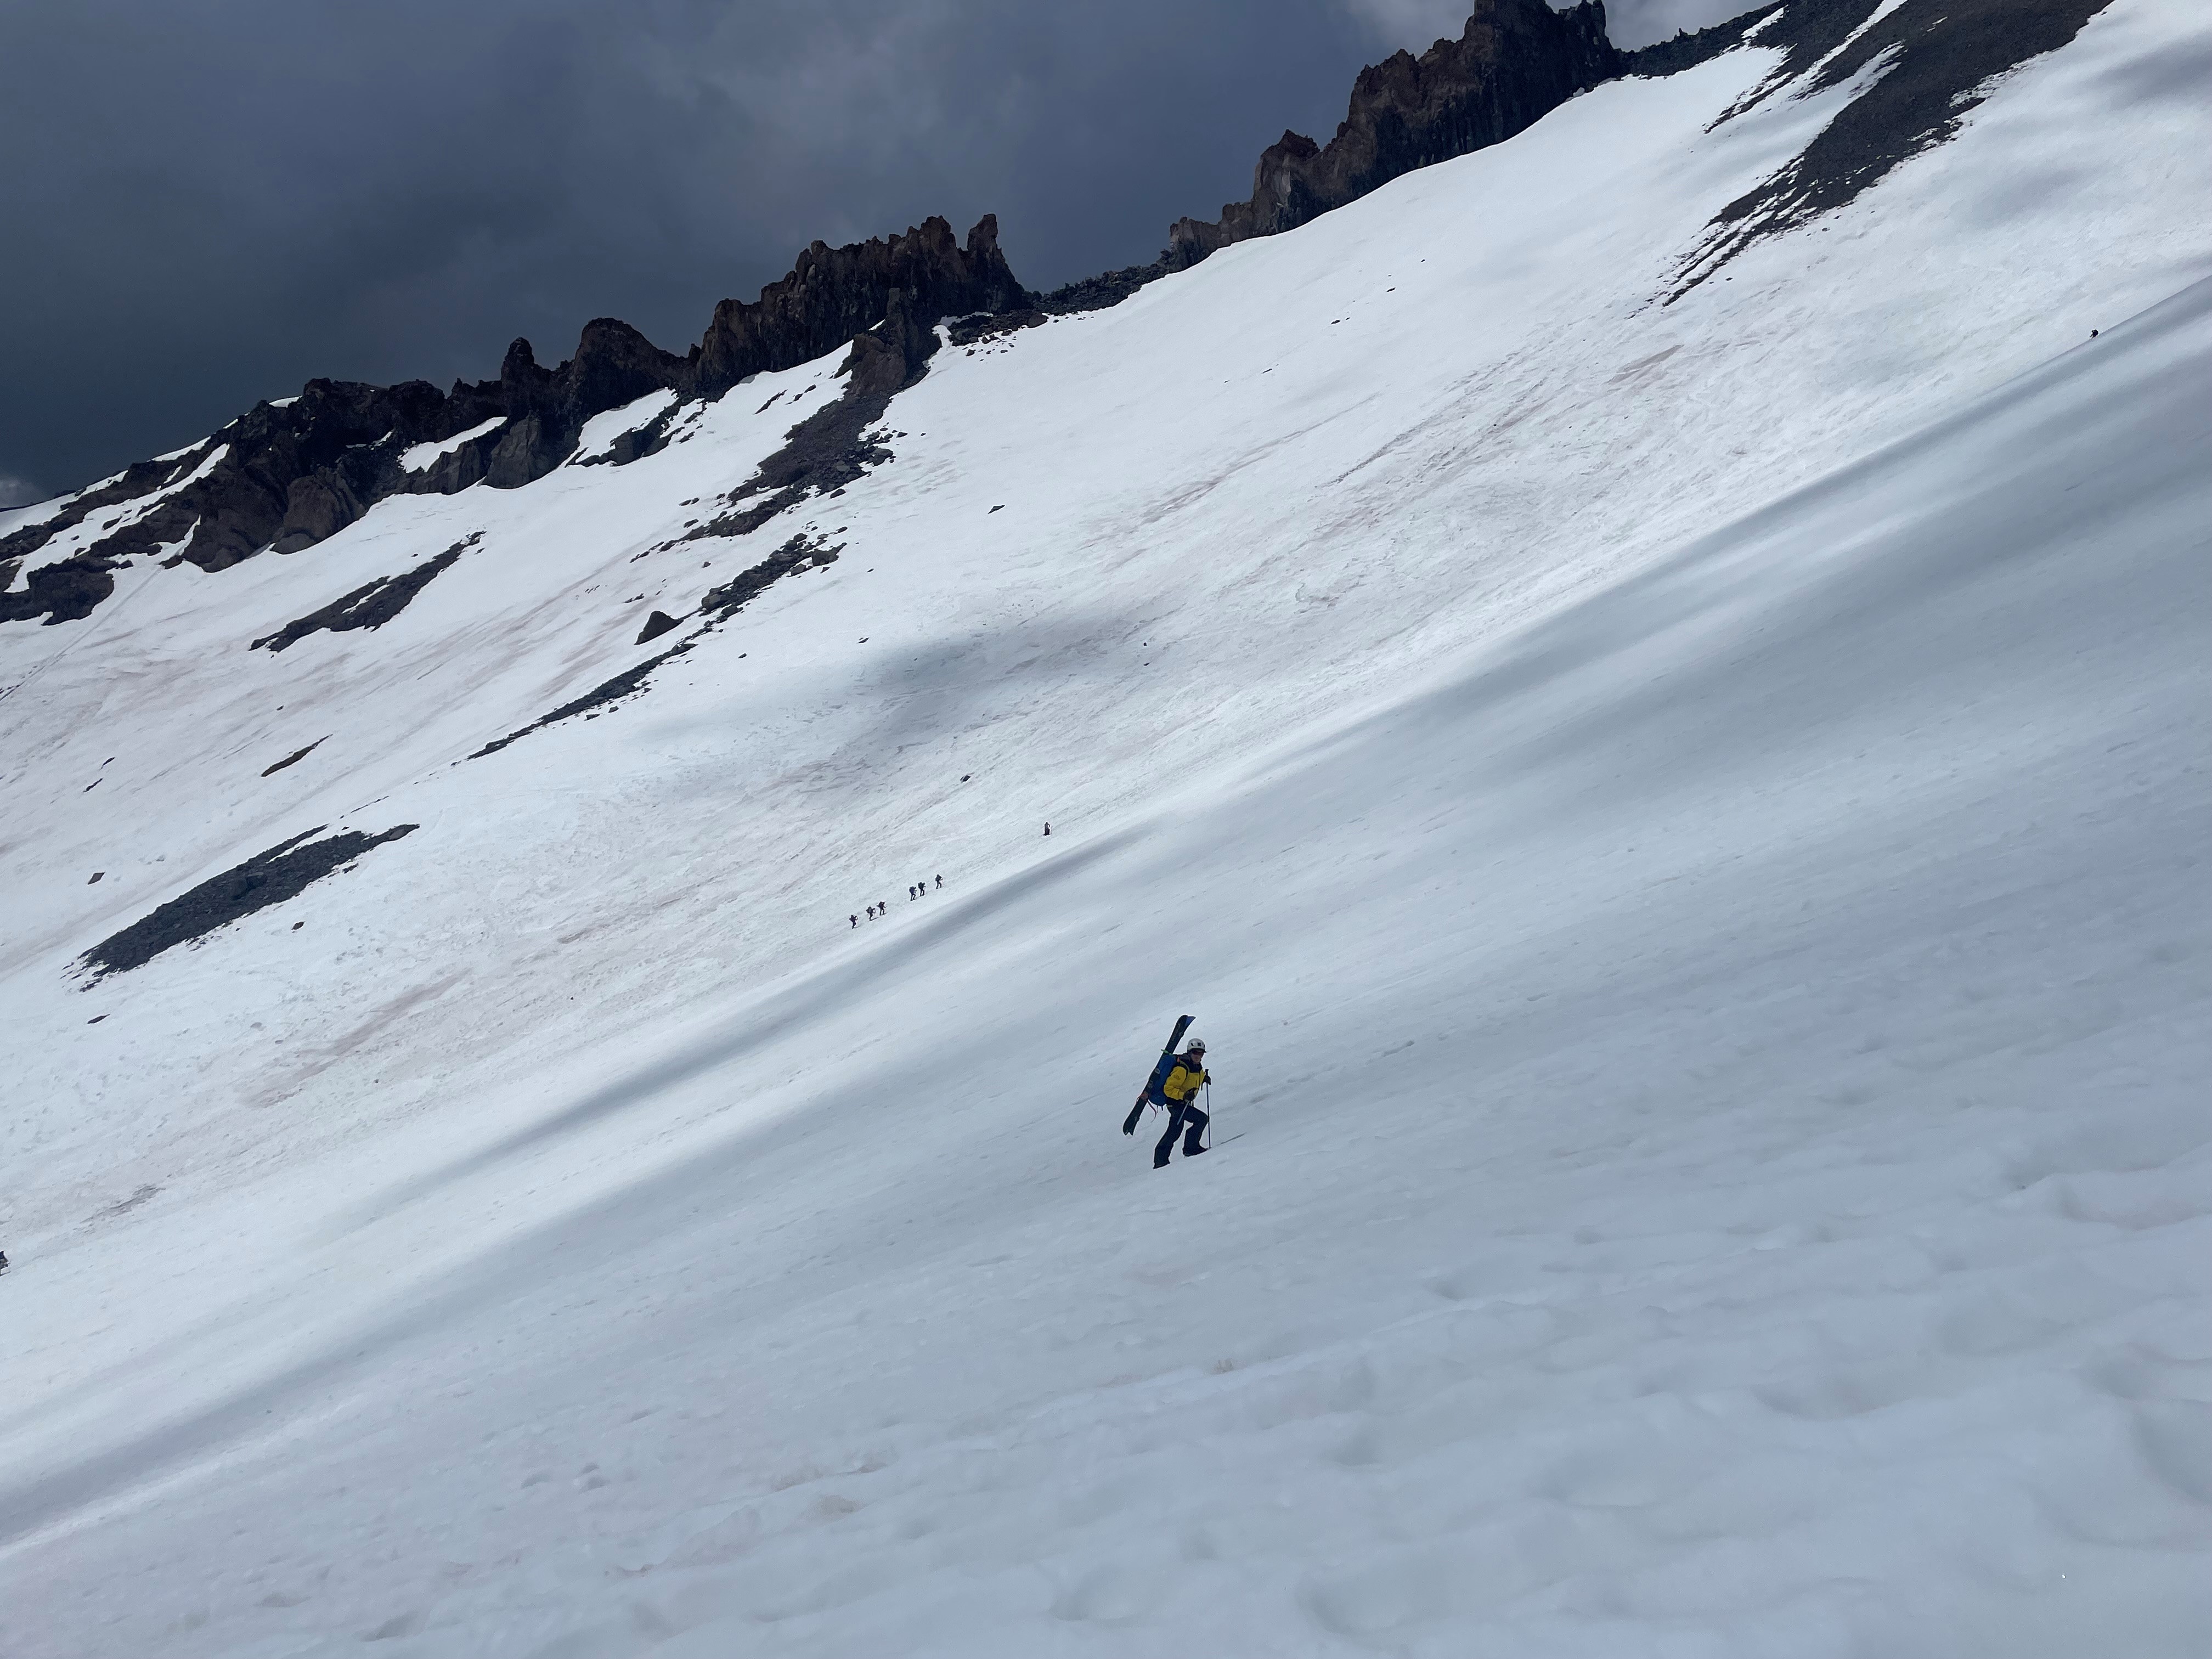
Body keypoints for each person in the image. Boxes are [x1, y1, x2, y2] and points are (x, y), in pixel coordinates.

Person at [1124, 1037, 1209, 1167]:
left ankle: (1161, 1160)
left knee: (1174, 1131)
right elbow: (1168, 1089)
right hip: (1176, 1104)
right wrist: (1183, 1095)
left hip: (1181, 1104)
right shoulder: (1182, 1068)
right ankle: (1191, 1149)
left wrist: (1203, 1078)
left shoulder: (1196, 1067)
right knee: (1201, 1119)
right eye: (1196, 1053)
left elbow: (1190, 1080)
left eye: (1201, 1053)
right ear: (1190, 1052)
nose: (1198, 1056)